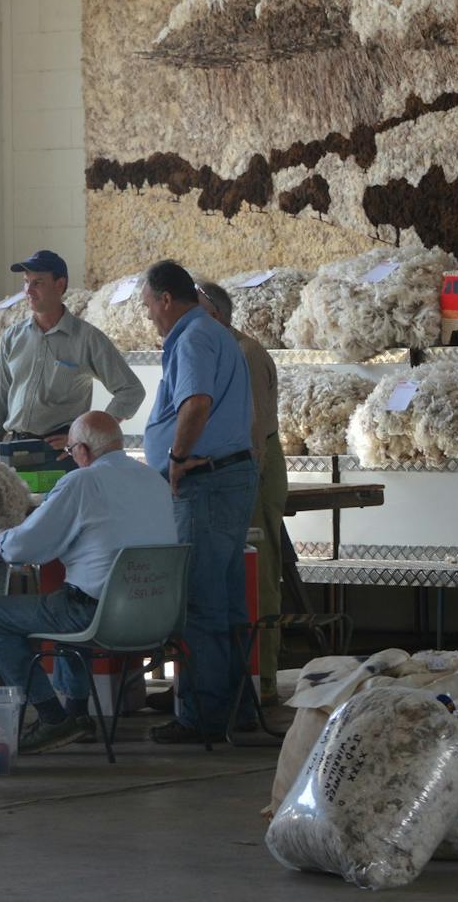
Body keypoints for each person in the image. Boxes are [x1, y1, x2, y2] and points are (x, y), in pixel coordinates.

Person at [0, 411, 176, 754]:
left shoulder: (82, 482)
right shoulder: (154, 480)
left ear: (81, 450)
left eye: (67, 451)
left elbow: (27, 545)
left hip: (98, 615)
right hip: (157, 615)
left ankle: (52, 717)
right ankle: (77, 716)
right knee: (68, 599)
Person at [140, 260, 259, 744]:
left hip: (204, 482)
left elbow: (196, 403)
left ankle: (203, 717)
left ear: (166, 299)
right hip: (228, 476)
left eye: (149, 305)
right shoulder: (214, 332)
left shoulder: (191, 338)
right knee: (226, 601)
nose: (149, 316)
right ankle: (237, 708)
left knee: (201, 604)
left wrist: (175, 457)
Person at [197, 280, 288, 708]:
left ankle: (261, 678)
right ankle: (215, 679)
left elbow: (254, 430)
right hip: (227, 473)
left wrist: (244, 481)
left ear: (213, 312)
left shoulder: (245, 353)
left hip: (252, 469)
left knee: (259, 572)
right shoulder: (210, 349)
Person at [0, 250, 145, 462]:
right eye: (26, 282)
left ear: (60, 285)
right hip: (16, 450)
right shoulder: (12, 337)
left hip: (62, 454)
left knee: (59, 497)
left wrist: (89, 434)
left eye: (37, 283)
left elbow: (131, 391)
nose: (28, 291)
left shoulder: (87, 339)